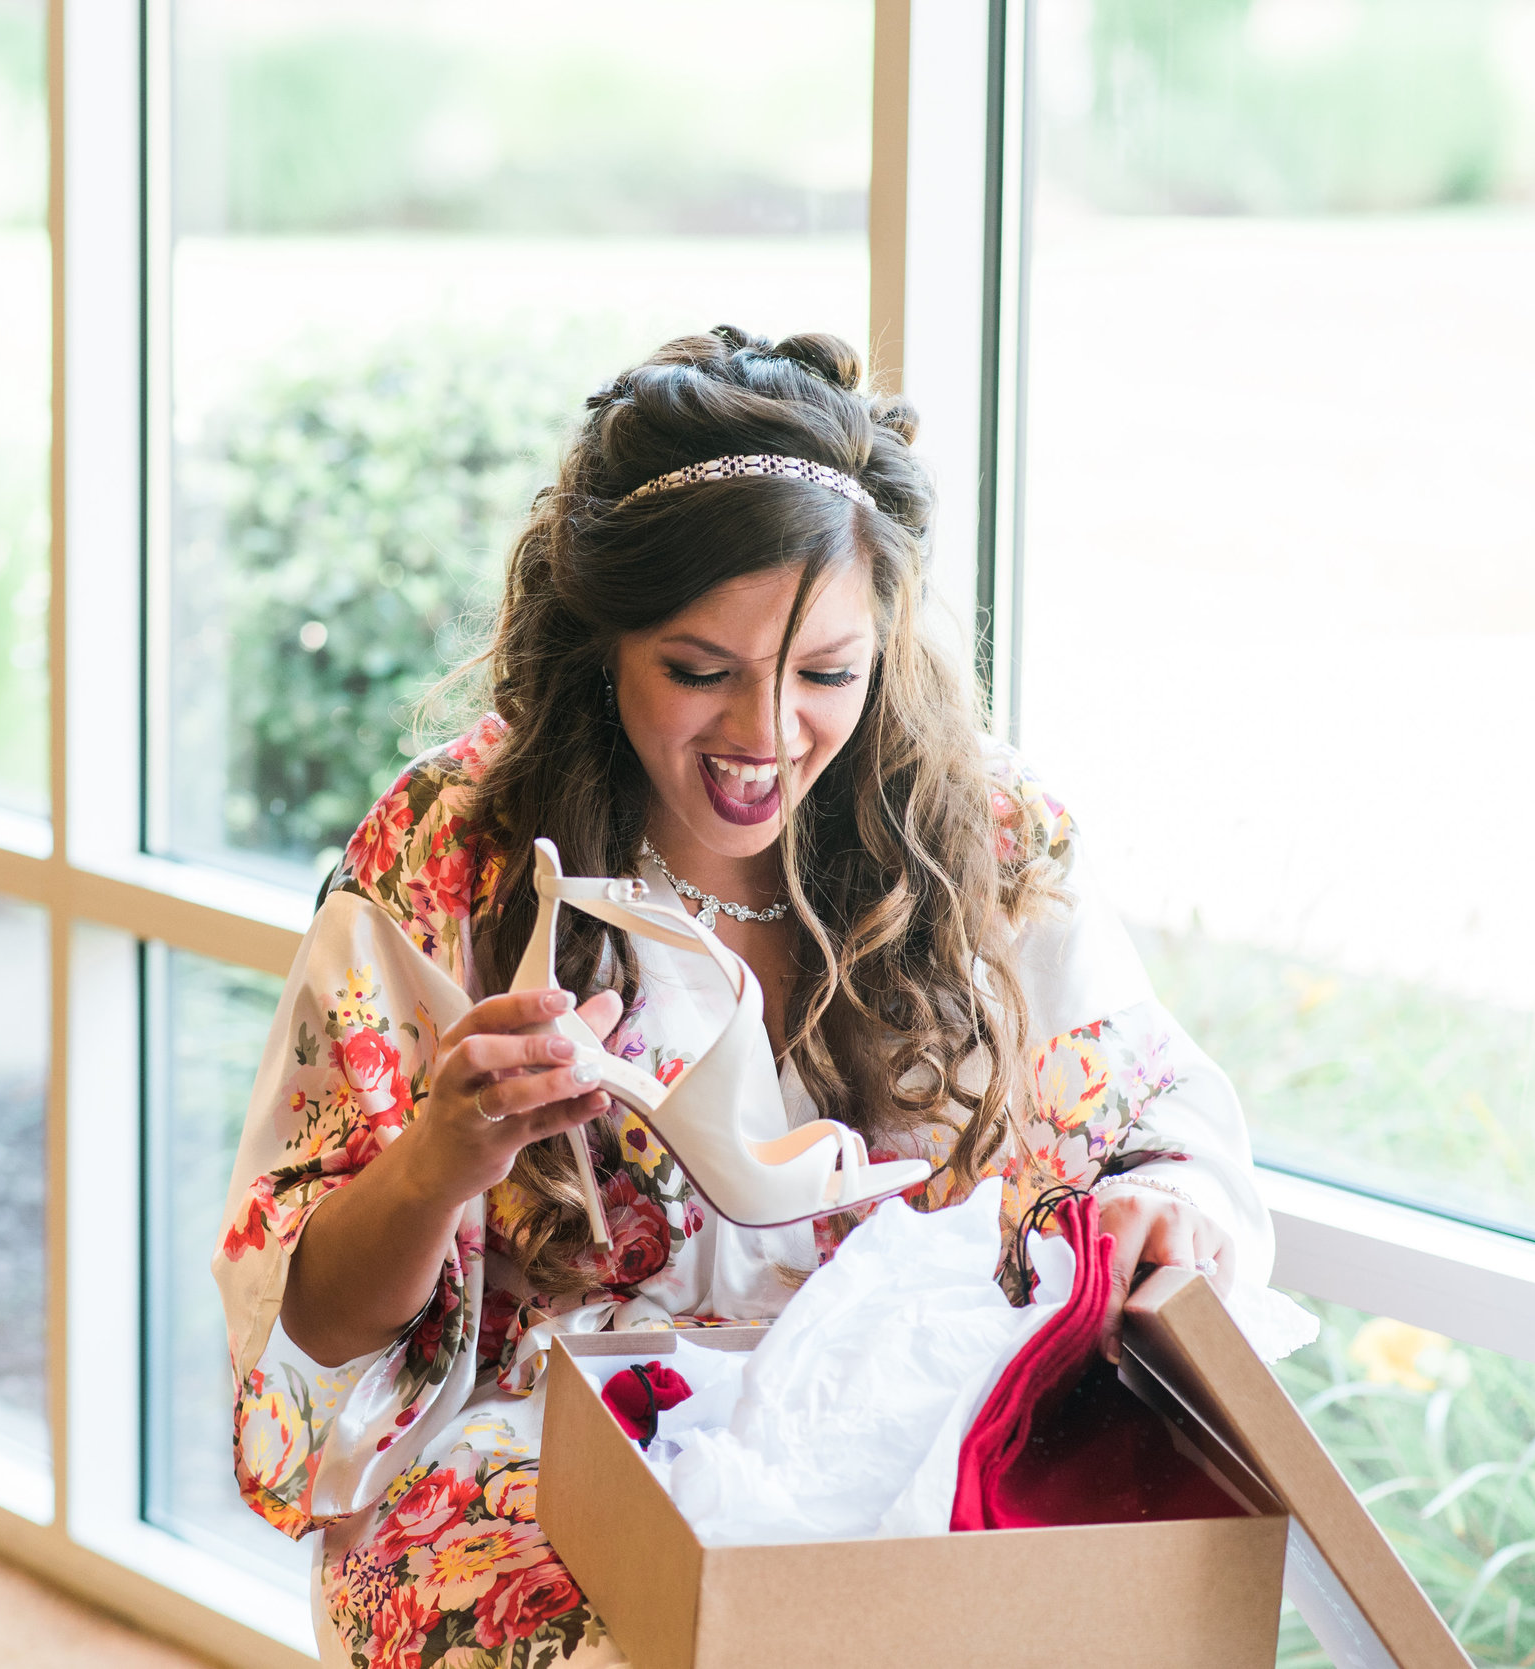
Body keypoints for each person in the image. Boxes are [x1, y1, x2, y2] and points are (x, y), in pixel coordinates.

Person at [213, 327, 1268, 1669]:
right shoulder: (458, 853)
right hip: (545, 1460)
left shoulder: (979, 835)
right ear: (603, 642)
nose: (767, 733)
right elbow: (308, 1328)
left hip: (890, 1428)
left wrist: (1158, 1198)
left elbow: (1152, 1118)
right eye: (700, 669)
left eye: (827, 671)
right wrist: (439, 1157)